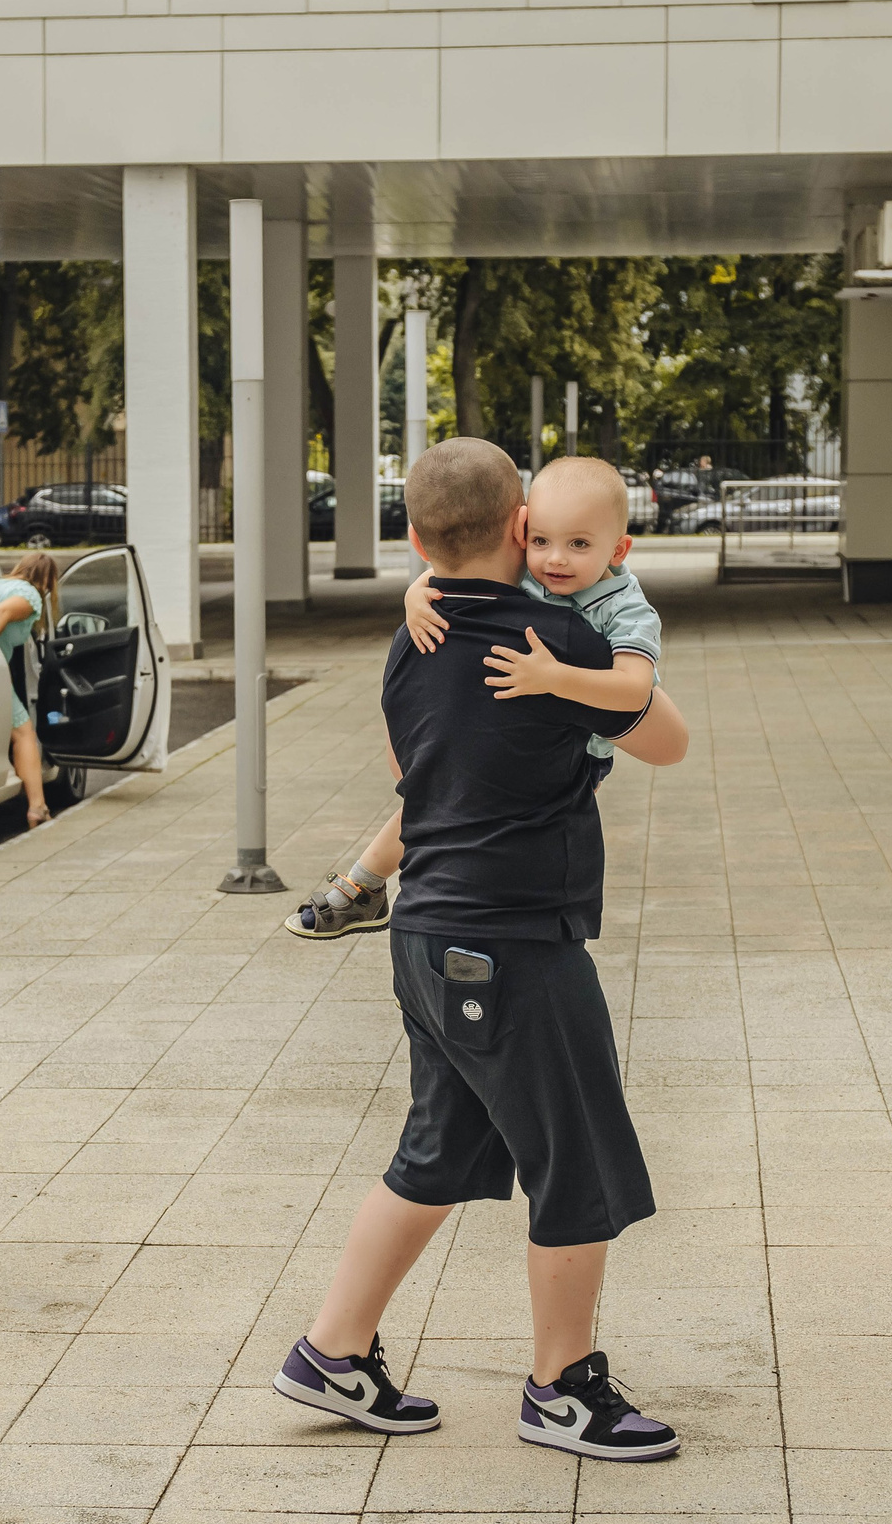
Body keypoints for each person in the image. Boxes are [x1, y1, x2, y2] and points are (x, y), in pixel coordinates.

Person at [273, 437, 690, 1461]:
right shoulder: (558, 641)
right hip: (513, 943)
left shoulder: (407, 637)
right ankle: (562, 1390)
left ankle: (332, 1351)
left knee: (440, 1152)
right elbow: (667, 740)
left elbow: (412, 772)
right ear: (518, 527)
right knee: (575, 1163)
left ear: (414, 539)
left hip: (425, 934)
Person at [286, 456, 661, 941]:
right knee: (446, 789)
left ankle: (367, 882)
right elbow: (449, 575)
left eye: (579, 544)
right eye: (541, 541)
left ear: (618, 549)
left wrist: (554, 677)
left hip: (580, 750)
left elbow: (635, 689)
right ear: (522, 528)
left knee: (480, 805)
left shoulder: (627, 611)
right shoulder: (536, 578)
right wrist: (414, 596)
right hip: (515, 736)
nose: (556, 559)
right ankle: (369, 883)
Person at [0, 552, 60, 828]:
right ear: (48, 580)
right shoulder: (30, 595)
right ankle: (37, 807)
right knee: (24, 733)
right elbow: (2, 612)